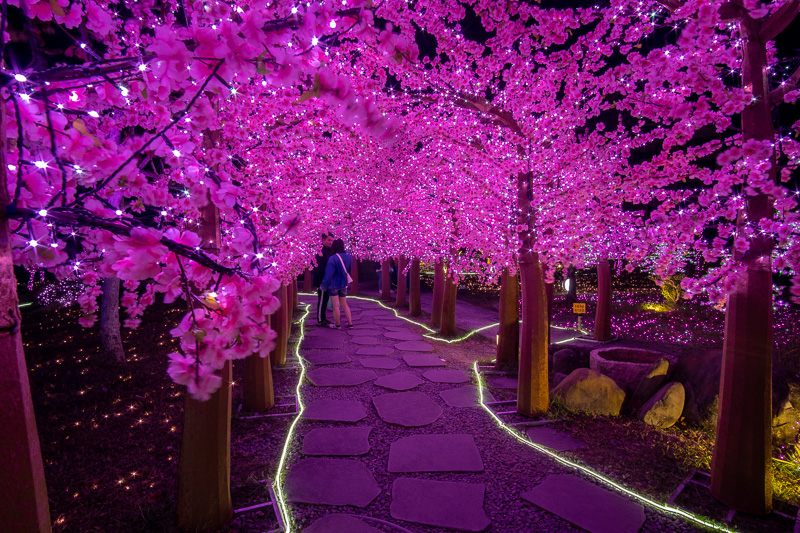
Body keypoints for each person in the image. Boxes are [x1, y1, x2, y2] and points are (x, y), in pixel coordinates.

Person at [320, 239, 354, 328]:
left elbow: (328, 274)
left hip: (334, 284)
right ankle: (350, 323)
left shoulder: (333, 258)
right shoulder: (348, 257)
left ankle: (337, 324)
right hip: (343, 283)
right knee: (344, 304)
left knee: (335, 306)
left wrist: (324, 286)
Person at [312, 232, 334, 326]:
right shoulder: (320, 251)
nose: (330, 242)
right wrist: (320, 282)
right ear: (323, 240)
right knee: (321, 300)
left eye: (331, 240)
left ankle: (323, 318)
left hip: (327, 280)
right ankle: (320, 320)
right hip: (322, 281)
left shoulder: (328, 251)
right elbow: (318, 268)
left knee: (325, 299)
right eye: (329, 240)